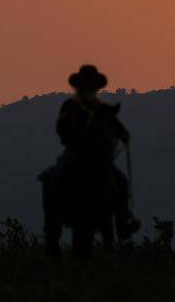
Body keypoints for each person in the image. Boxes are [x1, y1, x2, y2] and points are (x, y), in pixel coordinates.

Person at [43, 64, 141, 240]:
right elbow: (61, 128)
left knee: (122, 183)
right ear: (80, 87)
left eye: (91, 86)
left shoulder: (102, 109)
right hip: (75, 152)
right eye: (86, 85)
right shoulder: (70, 106)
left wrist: (124, 135)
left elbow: (118, 128)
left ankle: (123, 221)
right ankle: (52, 224)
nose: (89, 89)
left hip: (100, 157)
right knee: (54, 178)